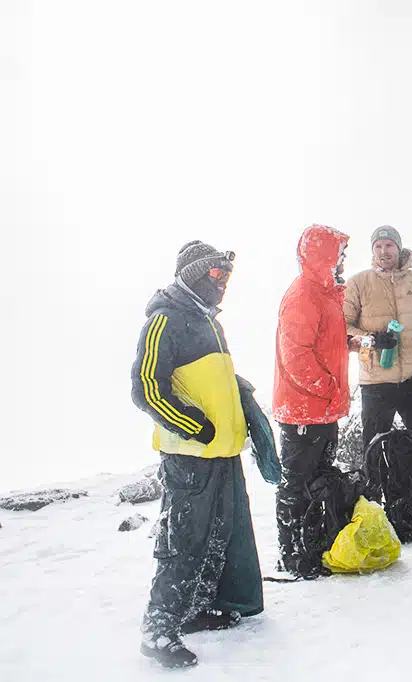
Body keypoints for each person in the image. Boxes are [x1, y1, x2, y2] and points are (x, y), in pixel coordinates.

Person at [130, 241, 263, 668]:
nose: (222, 284)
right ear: (193, 273)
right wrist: (194, 425)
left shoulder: (208, 321)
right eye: (215, 275)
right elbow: (147, 386)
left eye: (226, 277)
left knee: (217, 536)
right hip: (189, 456)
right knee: (183, 541)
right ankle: (159, 628)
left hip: (221, 453)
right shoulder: (165, 318)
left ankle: (196, 609)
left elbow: (209, 380)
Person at [272, 224, 353, 578]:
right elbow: (296, 354)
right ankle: (294, 557)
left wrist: (357, 345)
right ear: (324, 256)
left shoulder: (325, 294)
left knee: (319, 480)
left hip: (321, 409)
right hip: (303, 410)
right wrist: (329, 387)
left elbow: (327, 343)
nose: (343, 261)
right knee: (298, 485)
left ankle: (314, 547)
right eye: (339, 254)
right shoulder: (303, 295)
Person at [343, 225, 412, 455]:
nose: (383, 251)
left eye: (389, 245)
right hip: (375, 382)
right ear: (372, 250)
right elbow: (342, 328)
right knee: (374, 453)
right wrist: (372, 340)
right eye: (377, 246)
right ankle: (374, 492)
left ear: (399, 247)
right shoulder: (358, 283)